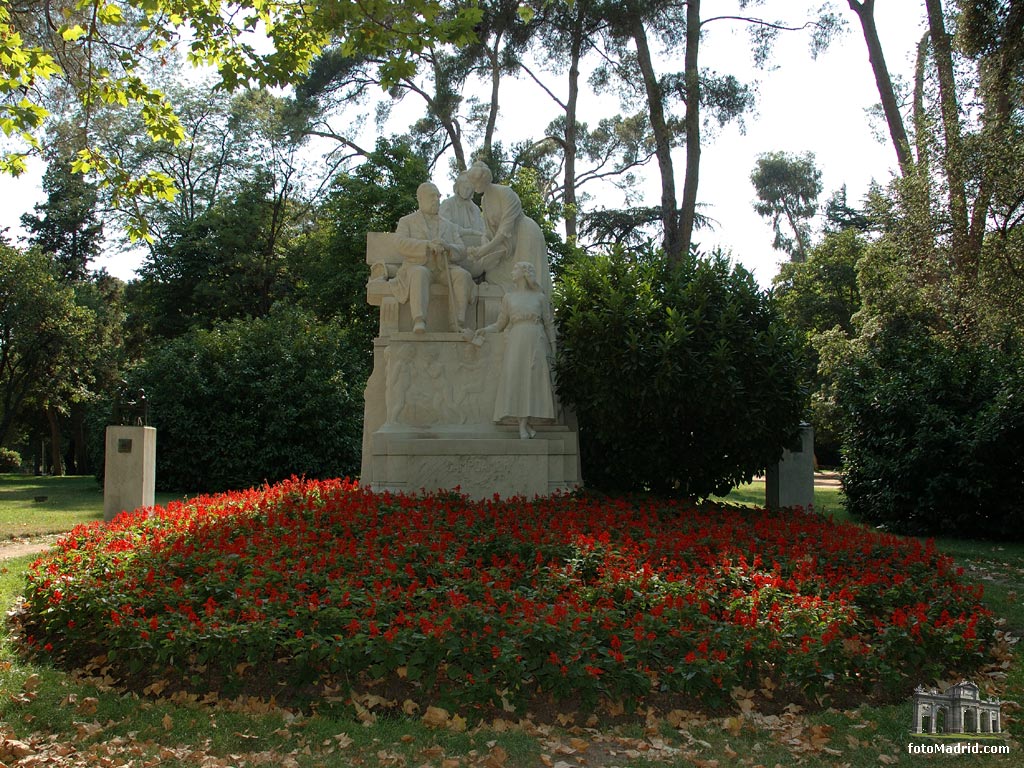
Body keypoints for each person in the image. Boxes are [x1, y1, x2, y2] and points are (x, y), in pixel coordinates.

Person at [475, 261, 556, 439]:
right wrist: (484, 330)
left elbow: (549, 323)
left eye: (515, 269)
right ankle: (523, 424)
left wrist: (553, 345)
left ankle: (524, 424)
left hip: (535, 338)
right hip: (517, 339)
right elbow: (500, 324)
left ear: (524, 273)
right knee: (517, 379)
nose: (512, 272)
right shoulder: (509, 298)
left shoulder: (539, 297)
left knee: (532, 379)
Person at [393, 182, 476, 333]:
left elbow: (462, 250)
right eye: (432, 196)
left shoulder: (449, 226)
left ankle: (457, 322)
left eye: (438, 196)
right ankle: (419, 320)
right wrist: (427, 245)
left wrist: (448, 247)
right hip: (418, 266)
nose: (436, 200)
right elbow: (400, 243)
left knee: (462, 275)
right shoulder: (407, 221)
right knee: (420, 273)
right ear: (420, 198)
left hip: (444, 268)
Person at [463, 160, 552, 295]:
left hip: (524, 234)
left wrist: (483, 251)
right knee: (492, 275)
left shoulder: (505, 193)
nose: (474, 186)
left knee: (527, 278)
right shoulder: (484, 200)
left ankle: (530, 310)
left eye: (475, 182)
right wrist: (482, 245)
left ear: (484, 179)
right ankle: (512, 308)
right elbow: (488, 231)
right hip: (507, 245)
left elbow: (504, 230)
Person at [439, 172, 486, 250]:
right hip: (454, 245)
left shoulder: (475, 208)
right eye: (464, 187)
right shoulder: (448, 204)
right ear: (458, 186)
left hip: (474, 246)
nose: (466, 191)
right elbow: (444, 226)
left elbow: (482, 228)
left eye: (469, 189)